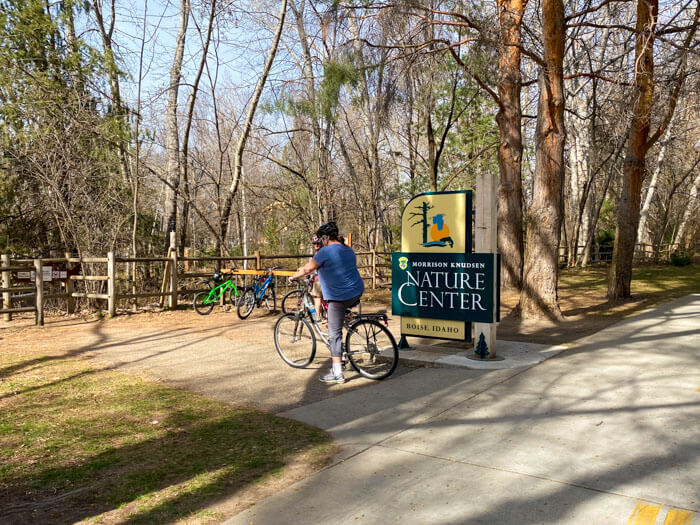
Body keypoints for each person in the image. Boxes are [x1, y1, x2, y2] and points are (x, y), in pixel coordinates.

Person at [290, 222, 364, 384]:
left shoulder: (324, 252)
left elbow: (308, 269)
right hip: (357, 291)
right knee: (340, 316)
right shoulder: (348, 249)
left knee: (334, 334)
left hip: (339, 297)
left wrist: (293, 277)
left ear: (325, 238)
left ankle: (337, 372)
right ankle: (347, 320)